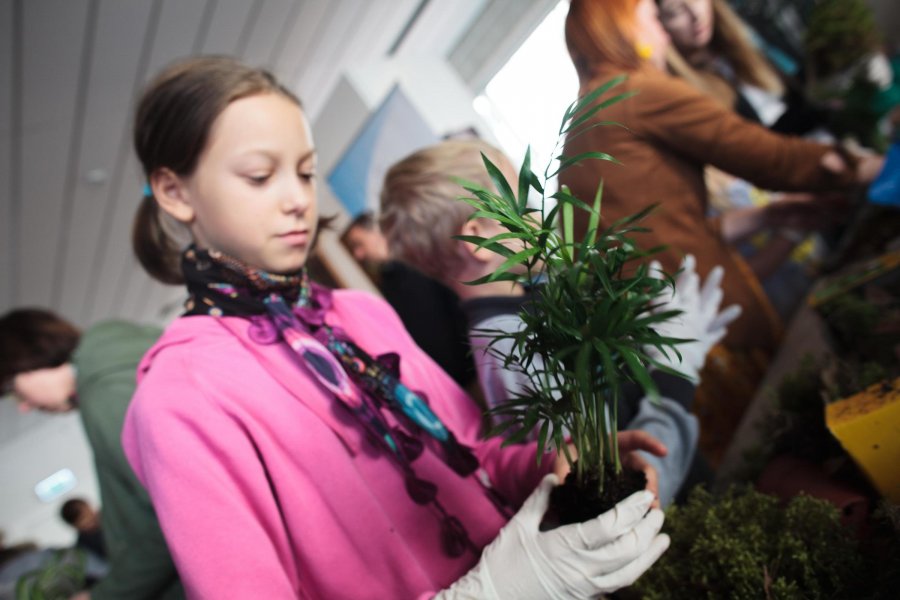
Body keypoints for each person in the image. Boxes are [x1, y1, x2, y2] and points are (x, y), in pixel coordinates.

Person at [121, 56, 671, 599]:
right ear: (174, 191)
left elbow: (475, 455)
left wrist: (561, 462)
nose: (297, 200)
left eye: (307, 172)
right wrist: (489, 591)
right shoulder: (180, 398)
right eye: (260, 176)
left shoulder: (358, 313)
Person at [559, 0, 885, 465]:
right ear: (623, 25)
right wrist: (871, 167)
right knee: (798, 449)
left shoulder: (585, 121)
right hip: (710, 335)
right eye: (654, 17)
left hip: (665, 348)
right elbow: (769, 159)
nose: (666, 34)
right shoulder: (635, 91)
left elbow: (665, 232)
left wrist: (768, 218)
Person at [380, 139, 742, 506]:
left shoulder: (526, 311)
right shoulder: (509, 346)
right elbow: (618, 487)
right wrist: (675, 375)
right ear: (479, 238)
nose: (539, 215)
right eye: (522, 202)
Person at [0, 310, 183, 599]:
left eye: (14, 391)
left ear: (30, 360)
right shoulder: (126, 354)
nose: (23, 406)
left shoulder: (105, 396)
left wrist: (103, 596)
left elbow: (172, 520)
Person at [340, 213, 476, 389]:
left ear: (376, 231)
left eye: (358, 245)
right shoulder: (388, 287)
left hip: (476, 360)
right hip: (451, 383)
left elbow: (455, 299)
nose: (359, 255)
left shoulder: (418, 256)